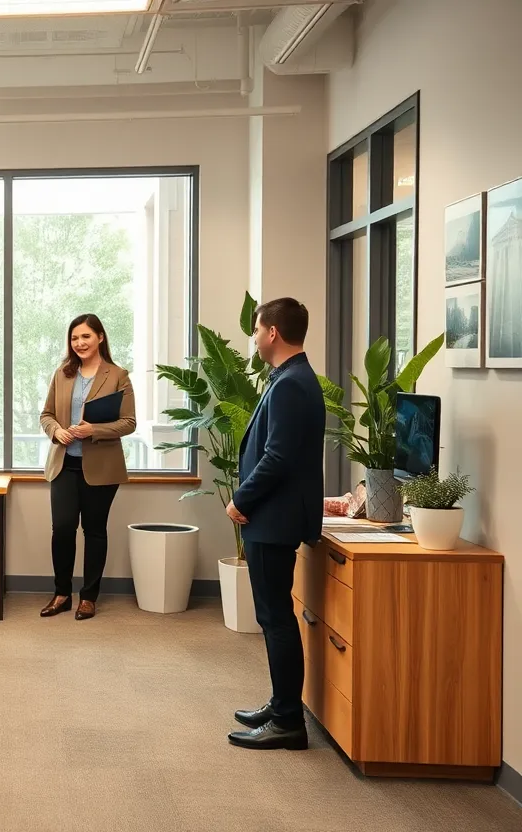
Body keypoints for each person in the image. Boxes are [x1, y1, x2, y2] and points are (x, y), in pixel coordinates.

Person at [224, 298, 326, 751]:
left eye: (257, 330)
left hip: (272, 517)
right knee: (276, 617)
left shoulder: (290, 383)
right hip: (276, 515)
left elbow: (278, 457)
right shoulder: (291, 376)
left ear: (272, 333)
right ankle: (281, 702)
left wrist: (240, 499)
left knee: (276, 619)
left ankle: (287, 720)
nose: (254, 338)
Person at [38, 314, 137, 620]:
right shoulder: (63, 373)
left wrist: (94, 430)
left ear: (100, 338)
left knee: (94, 532)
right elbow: (47, 414)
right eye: (74, 338)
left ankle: (89, 597)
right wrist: (57, 431)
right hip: (64, 464)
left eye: (85, 337)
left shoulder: (118, 375)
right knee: (63, 529)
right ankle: (61, 594)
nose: (79, 343)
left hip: (101, 468)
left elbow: (129, 422)